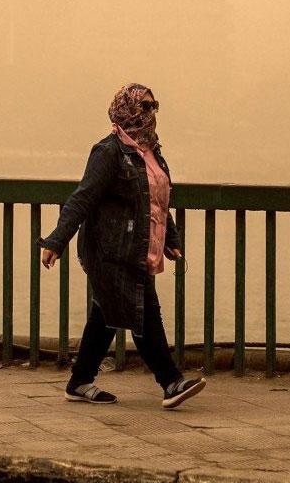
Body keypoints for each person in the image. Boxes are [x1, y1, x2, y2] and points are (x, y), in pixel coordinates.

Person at [37, 83, 206, 409]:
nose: (150, 112)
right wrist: (57, 240)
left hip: (138, 249)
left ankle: (80, 380)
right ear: (125, 109)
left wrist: (170, 240)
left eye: (154, 105)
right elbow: (82, 199)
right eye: (143, 106)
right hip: (110, 251)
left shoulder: (152, 152)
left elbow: (156, 203)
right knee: (143, 312)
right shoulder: (109, 152)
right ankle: (170, 381)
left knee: (107, 315)